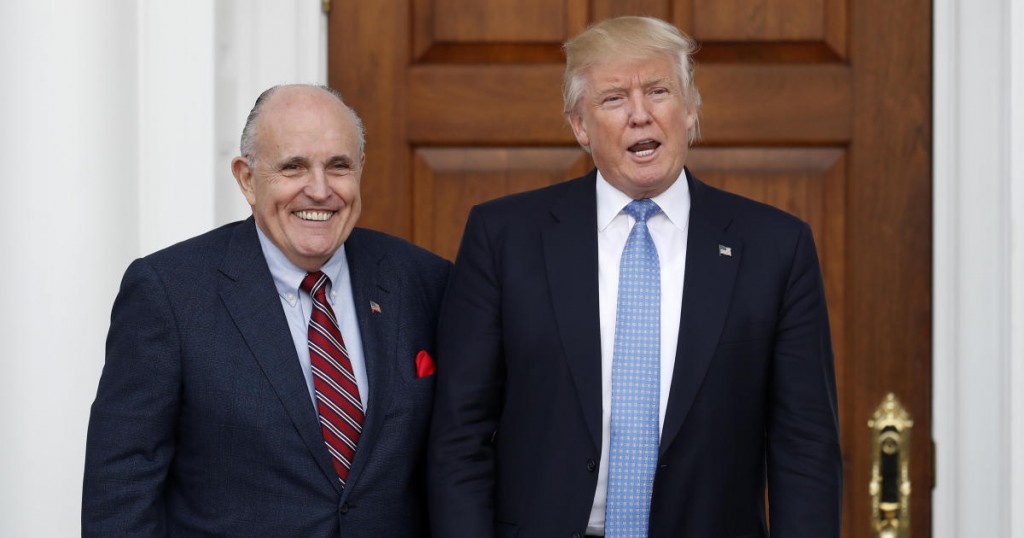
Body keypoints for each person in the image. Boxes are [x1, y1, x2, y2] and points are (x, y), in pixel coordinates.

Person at [428, 16, 842, 538]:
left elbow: (805, 446)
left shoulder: (777, 247)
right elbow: (458, 436)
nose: (640, 115)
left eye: (659, 91)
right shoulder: (503, 237)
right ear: (580, 125)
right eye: (614, 99)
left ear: (690, 110)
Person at [83, 84, 450, 536]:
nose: (319, 190)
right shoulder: (170, 293)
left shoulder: (425, 281)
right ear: (246, 178)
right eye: (293, 167)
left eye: (338, 166)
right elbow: (122, 484)